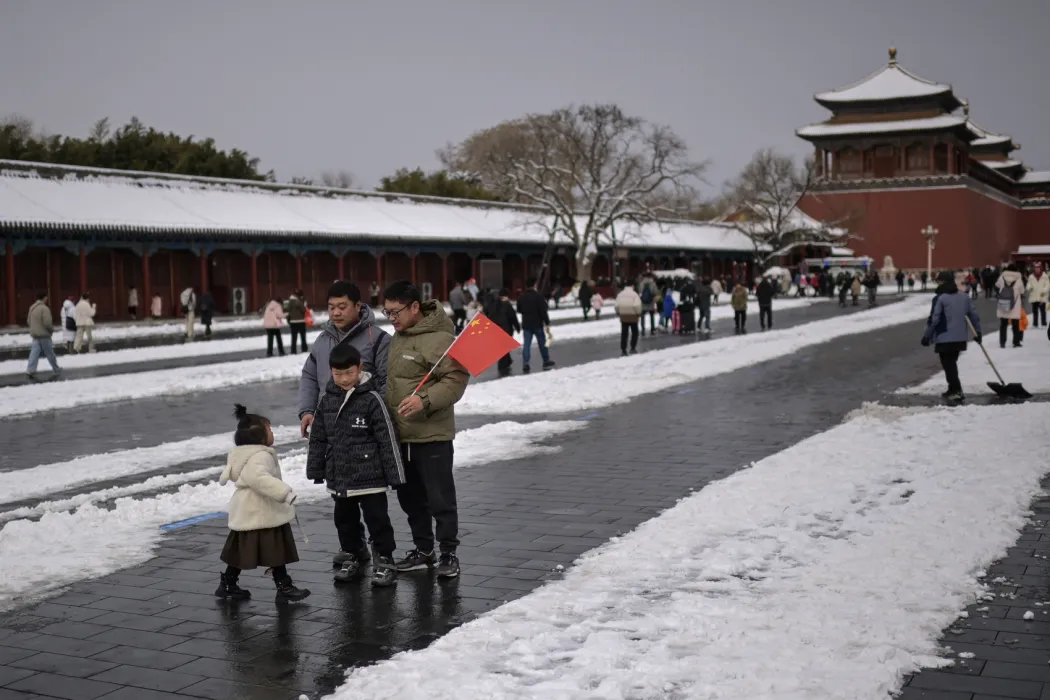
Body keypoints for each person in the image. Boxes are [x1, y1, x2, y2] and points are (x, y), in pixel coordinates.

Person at [381, 281, 468, 578]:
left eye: (396, 312)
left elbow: (456, 380)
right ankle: (424, 549)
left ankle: (448, 553)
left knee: (440, 497)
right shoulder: (398, 337)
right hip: (401, 436)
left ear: (415, 307)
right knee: (410, 498)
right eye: (387, 312)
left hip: (432, 436)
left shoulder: (441, 339)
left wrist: (424, 399)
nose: (391, 318)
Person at [306, 344, 404, 587]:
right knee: (344, 519)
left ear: (360, 369)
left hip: (370, 477)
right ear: (330, 372)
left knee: (377, 519)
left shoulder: (372, 400)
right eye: (338, 374)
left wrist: (395, 475)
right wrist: (316, 469)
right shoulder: (327, 400)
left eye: (349, 373)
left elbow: (387, 437)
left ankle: (385, 559)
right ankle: (353, 553)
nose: (344, 379)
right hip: (340, 477)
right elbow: (318, 437)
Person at [215, 404, 310, 603]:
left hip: (248, 509)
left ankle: (229, 583)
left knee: (243, 549)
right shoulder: (260, 455)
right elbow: (258, 479)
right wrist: (284, 493)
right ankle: (283, 587)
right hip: (262, 509)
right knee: (275, 548)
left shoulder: (243, 453)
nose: (272, 433)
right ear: (259, 436)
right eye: (269, 430)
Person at [299, 281, 391, 440]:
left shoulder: (378, 340)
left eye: (342, 307)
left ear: (357, 306)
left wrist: (371, 416)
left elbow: (388, 382)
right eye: (331, 307)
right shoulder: (322, 340)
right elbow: (310, 376)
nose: (335, 313)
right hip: (327, 428)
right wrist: (307, 411)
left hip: (364, 432)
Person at [922, 272, 982, 402]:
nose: (937, 283)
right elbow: (974, 316)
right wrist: (978, 333)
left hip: (944, 336)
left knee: (948, 364)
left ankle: (956, 390)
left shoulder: (940, 298)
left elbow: (934, 319)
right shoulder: (964, 297)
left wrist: (927, 336)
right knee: (951, 363)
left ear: (942, 282)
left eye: (938, 281)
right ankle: (952, 388)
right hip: (960, 337)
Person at [516, 278, 555, 374]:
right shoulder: (538, 296)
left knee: (527, 344)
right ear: (534, 285)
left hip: (526, 324)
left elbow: (519, 309)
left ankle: (526, 363)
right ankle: (546, 360)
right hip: (537, 323)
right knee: (542, 342)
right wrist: (547, 322)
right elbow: (543, 311)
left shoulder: (522, 297)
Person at [485, 288, 520, 377]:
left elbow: (488, 314)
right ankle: (503, 365)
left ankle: (507, 361)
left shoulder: (492, 305)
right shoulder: (507, 304)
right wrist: (517, 327)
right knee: (504, 347)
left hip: (495, 329)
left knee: (502, 347)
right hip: (506, 328)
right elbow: (512, 317)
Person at [26, 292, 61, 379]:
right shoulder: (44, 308)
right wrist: (51, 330)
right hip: (44, 334)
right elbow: (47, 323)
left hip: (35, 334)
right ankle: (56, 369)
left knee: (34, 353)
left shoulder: (32, 307)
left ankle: (30, 370)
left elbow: (28, 321)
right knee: (50, 353)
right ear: (44, 298)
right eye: (46, 298)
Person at [995, 264, 1025, 348]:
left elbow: (997, 285)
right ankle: (1016, 342)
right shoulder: (1018, 279)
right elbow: (1022, 290)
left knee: (1003, 325)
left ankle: (1002, 342)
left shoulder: (1002, 278)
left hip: (1004, 303)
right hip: (1014, 305)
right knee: (1015, 325)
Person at [614, 282, 642, 356]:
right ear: (632, 286)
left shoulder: (620, 294)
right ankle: (633, 348)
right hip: (633, 316)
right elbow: (637, 305)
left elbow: (616, 305)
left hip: (623, 316)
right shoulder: (635, 294)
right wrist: (638, 313)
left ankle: (623, 350)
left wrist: (618, 312)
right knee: (635, 332)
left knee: (624, 333)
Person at [1026, 262, 1049, 328]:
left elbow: (1047, 285)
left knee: (1043, 311)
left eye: (1038, 268)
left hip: (1042, 297)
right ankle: (1035, 324)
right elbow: (1028, 285)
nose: (1037, 270)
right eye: (1036, 268)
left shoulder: (1045, 276)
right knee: (1035, 312)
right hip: (1034, 297)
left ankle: (1044, 324)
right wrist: (1029, 287)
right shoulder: (1031, 276)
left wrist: (1043, 291)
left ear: (1040, 269)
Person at [638, 269, 659, 335]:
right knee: (651, 316)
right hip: (651, 302)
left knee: (643, 317)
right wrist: (654, 300)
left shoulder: (641, 283)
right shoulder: (653, 284)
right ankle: (652, 329)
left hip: (643, 303)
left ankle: (643, 329)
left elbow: (639, 292)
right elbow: (656, 293)